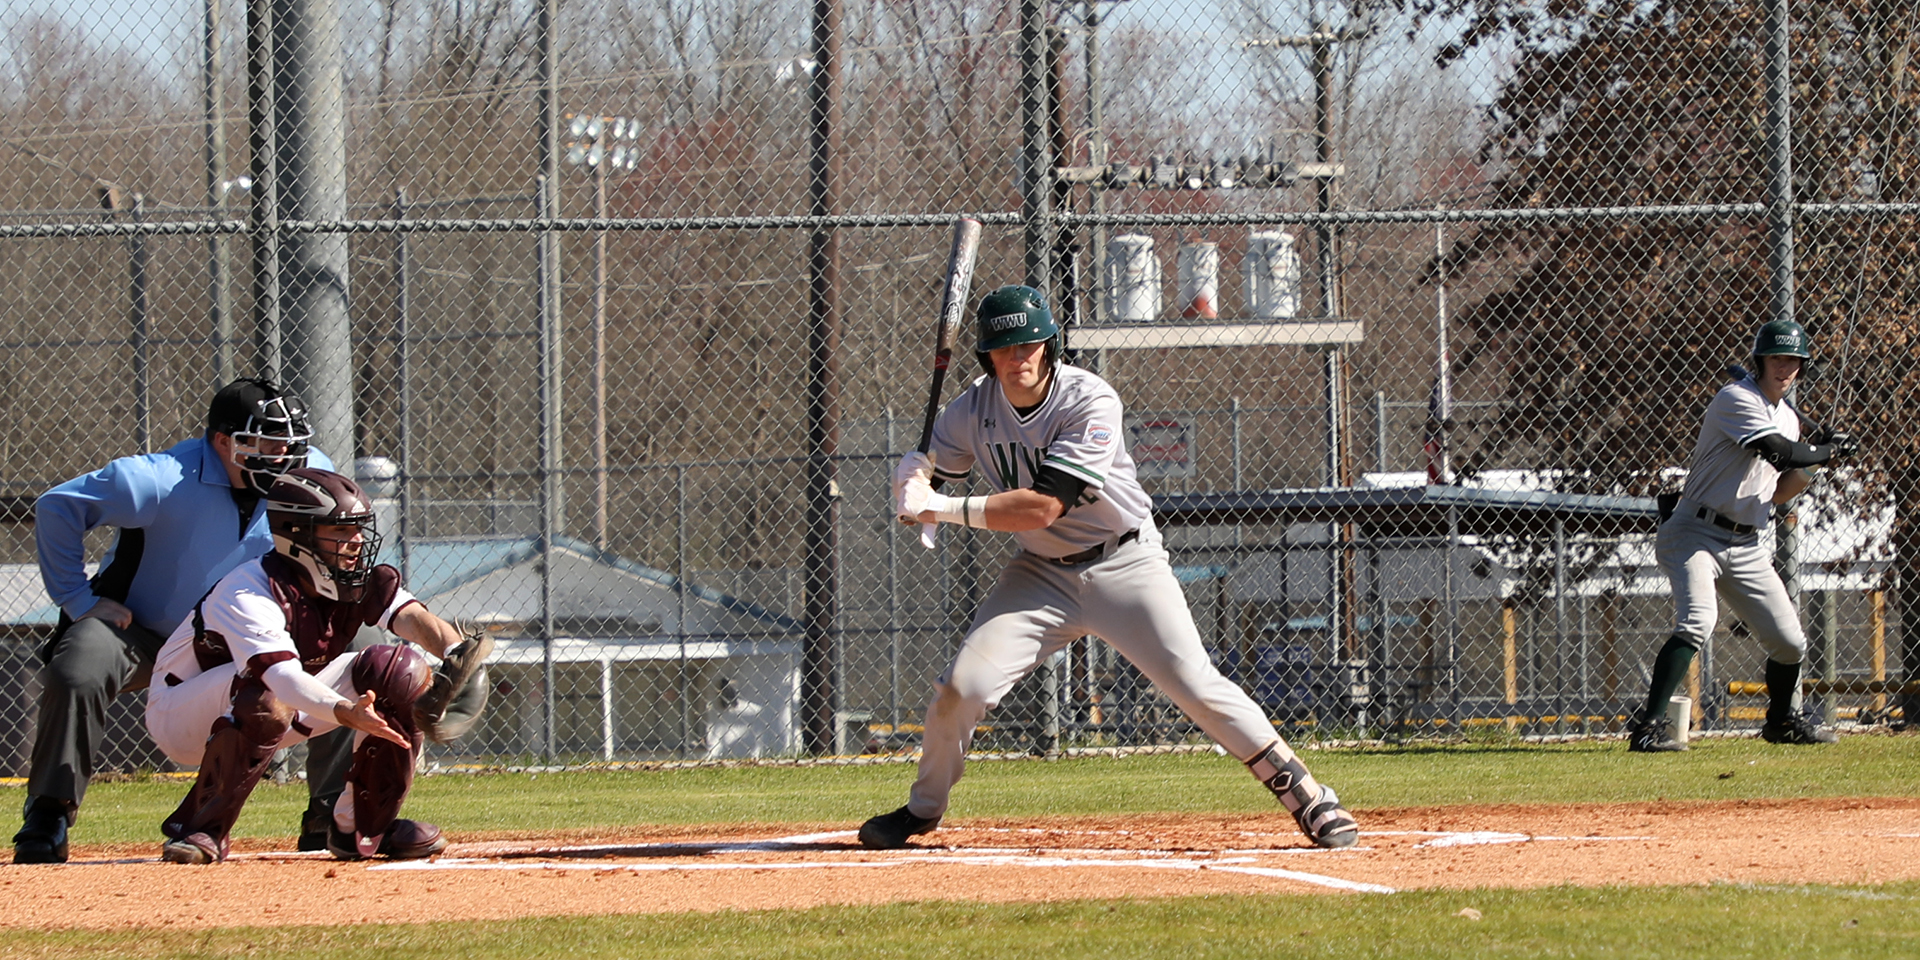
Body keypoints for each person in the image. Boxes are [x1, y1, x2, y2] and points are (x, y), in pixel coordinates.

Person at [858, 285, 1359, 851]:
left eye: (1029, 345)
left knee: (1195, 685)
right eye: (1004, 348)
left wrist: (940, 507)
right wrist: (913, 478)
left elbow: (1042, 507)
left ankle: (1309, 796)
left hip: (1125, 562)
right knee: (960, 688)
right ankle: (922, 810)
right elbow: (934, 479)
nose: (1018, 358)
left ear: (1049, 346)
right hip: (1041, 574)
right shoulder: (969, 410)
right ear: (987, 356)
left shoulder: (1088, 400)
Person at [15, 378, 330, 864]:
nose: (284, 455)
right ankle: (49, 812)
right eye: (266, 442)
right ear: (222, 442)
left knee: (355, 645)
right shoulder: (160, 479)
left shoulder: (310, 476)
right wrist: (77, 599)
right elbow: (58, 506)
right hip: (143, 633)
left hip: (243, 635)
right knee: (80, 665)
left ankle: (329, 813)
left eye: (289, 443)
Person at [146, 467, 469, 863]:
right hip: (181, 714)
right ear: (297, 535)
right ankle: (200, 828)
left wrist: (458, 654)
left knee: (400, 670)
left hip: (277, 699)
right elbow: (281, 677)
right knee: (267, 694)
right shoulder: (249, 591)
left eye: (358, 529)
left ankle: (361, 828)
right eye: (340, 530)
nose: (356, 541)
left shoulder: (349, 578)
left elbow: (413, 618)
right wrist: (344, 710)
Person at [1628, 320, 1860, 752]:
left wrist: (1816, 463)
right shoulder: (1735, 398)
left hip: (1746, 542)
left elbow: (1779, 491)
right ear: (1760, 362)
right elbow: (1777, 451)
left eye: (1792, 360)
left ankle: (1781, 722)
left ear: (1802, 367)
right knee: (1698, 621)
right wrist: (1826, 450)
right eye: (1776, 358)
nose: (1784, 368)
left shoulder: (1787, 418)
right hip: (1695, 532)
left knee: (1789, 642)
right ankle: (1648, 729)